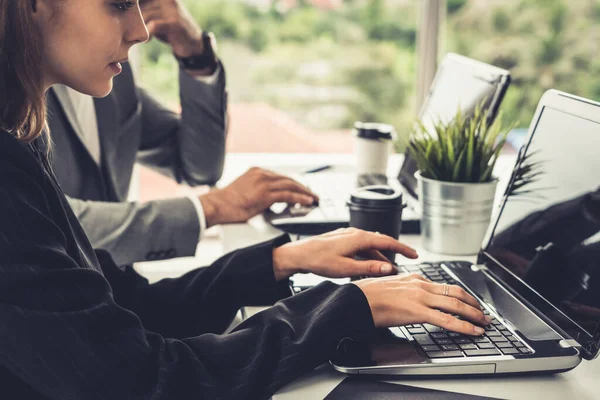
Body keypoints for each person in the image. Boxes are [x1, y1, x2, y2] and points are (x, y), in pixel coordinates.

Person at [0, 1, 490, 399]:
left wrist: (281, 261)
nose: (142, 29)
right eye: (120, 3)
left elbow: (132, 303)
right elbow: (148, 380)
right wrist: (345, 308)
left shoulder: (21, 137)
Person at [46, 0, 319, 266]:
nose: (141, 33)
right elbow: (48, 224)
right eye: (120, 4)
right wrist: (211, 208)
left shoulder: (110, 77)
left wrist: (195, 54)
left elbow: (199, 167)